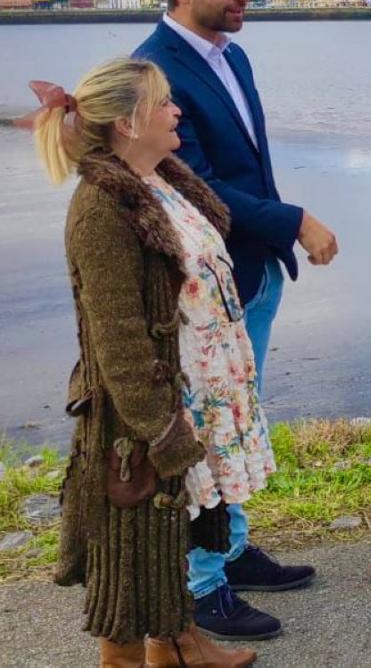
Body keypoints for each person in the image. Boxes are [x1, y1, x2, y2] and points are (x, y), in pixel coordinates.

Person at [134, 0, 334, 641]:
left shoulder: (233, 56)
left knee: (239, 421)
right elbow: (197, 186)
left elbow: (245, 166)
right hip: (204, 293)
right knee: (210, 432)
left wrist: (274, 239)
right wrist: (294, 221)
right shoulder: (152, 72)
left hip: (249, 275)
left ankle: (234, 547)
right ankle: (202, 587)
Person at [25, 59, 260, 667]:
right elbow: (118, 338)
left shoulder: (160, 181)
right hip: (143, 411)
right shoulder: (103, 207)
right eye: (164, 104)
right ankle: (129, 658)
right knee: (130, 549)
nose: (176, 112)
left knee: (170, 535)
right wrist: (159, 428)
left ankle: (178, 644)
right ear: (129, 123)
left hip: (196, 385)